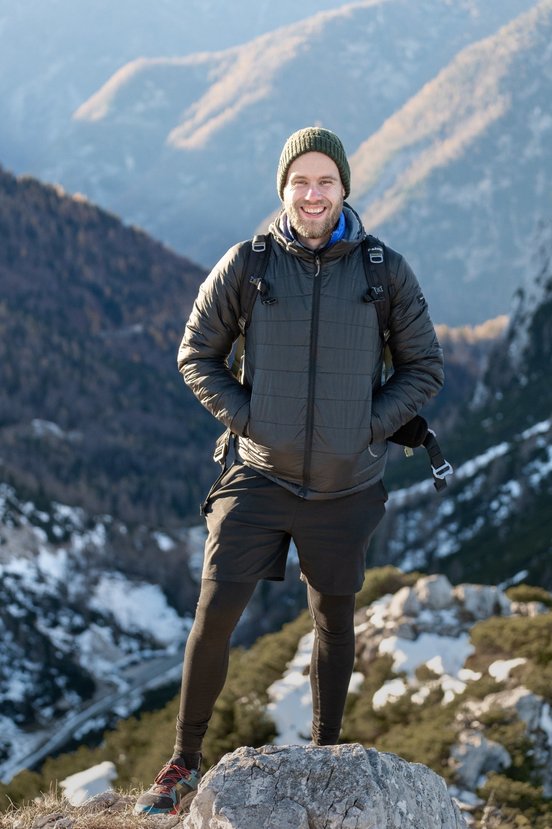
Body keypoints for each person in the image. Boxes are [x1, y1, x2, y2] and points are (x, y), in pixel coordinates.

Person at [134, 126, 444, 815]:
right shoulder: (248, 265)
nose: (312, 193)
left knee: (334, 619)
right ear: (283, 188)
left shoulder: (381, 270)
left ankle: (327, 754)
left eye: (325, 181)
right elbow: (196, 354)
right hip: (257, 473)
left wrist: (364, 426)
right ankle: (183, 763)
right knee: (214, 612)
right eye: (300, 181)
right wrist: (250, 419)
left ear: (344, 189)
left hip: (347, 483)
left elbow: (424, 367)